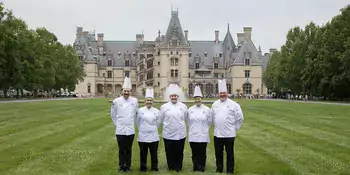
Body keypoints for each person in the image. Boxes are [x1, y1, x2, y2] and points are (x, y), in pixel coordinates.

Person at [211, 79, 244, 174]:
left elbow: (240, 118)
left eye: (224, 93)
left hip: (229, 134)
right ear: (218, 94)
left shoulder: (234, 105)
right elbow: (212, 117)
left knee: (230, 153)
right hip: (218, 134)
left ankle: (230, 170)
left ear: (227, 93)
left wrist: (235, 128)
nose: (222, 95)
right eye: (221, 93)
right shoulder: (215, 104)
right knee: (218, 153)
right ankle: (219, 169)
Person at [110, 77, 138, 172]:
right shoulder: (116, 101)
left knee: (129, 149)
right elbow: (113, 114)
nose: (126, 93)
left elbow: (136, 113)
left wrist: (130, 122)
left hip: (130, 129)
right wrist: (117, 124)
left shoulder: (134, 101)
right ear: (122, 91)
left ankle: (128, 166)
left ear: (130, 91)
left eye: (128, 91)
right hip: (120, 129)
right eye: (125, 91)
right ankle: (122, 166)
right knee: (121, 149)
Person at [159, 84, 188, 172]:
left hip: (180, 133)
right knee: (169, 151)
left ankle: (178, 167)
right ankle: (171, 166)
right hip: (168, 133)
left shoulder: (183, 106)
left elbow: (185, 117)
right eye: (172, 96)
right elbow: (161, 118)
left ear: (178, 96)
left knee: (179, 151)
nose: (174, 97)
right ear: (169, 96)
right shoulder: (164, 107)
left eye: (175, 96)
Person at [187, 85, 212, 172]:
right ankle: (195, 166)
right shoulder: (190, 109)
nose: (197, 100)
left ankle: (201, 167)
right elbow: (189, 121)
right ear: (194, 100)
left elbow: (209, 121)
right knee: (194, 152)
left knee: (202, 152)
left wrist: (203, 129)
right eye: (196, 99)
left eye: (199, 98)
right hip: (193, 133)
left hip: (203, 134)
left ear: (202, 99)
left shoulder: (207, 109)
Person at [136, 88, 160, 172]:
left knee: (154, 153)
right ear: (145, 101)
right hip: (142, 135)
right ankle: (143, 167)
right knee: (143, 153)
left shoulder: (156, 111)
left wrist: (152, 129)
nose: (149, 102)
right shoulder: (140, 110)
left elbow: (158, 123)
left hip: (154, 135)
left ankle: (154, 167)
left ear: (152, 101)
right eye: (147, 100)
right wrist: (143, 129)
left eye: (150, 100)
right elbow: (138, 122)